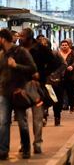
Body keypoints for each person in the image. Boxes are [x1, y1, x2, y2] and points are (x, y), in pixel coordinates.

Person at [20, 28, 58, 155]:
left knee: (37, 117)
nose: (20, 38)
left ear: (29, 38)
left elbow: (55, 63)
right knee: (22, 118)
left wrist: (42, 75)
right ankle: (24, 144)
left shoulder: (41, 49)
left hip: (37, 86)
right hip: (22, 87)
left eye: (23, 36)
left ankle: (37, 143)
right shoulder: (19, 49)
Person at [0, 29, 37, 160]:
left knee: (22, 122)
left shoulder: (21, 51)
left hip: (19, 92)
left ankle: (26, 148)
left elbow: (32, 68)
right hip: (4, 93)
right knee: (3, 122)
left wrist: (16, 66)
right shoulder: (1, 55)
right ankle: (3, 151)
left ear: (2, 39)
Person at [59, 40, 74, 112]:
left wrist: (72, 66)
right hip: (61, 75)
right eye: (63, 45)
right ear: (61, 46)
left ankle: (72, 105)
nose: (64, 46)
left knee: (71, 91)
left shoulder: (73, 53)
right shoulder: (58, 53)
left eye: (66, 45)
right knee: (62, 91)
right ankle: (64, 104)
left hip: (70, 75)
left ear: (68, 46)